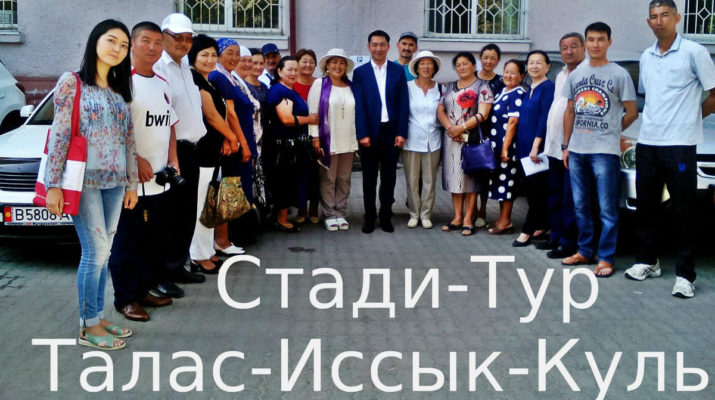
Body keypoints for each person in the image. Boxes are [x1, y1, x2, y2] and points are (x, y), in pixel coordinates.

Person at [44, 19, 138, 350]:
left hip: (115, 182)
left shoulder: (119, 88)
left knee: (104, 253)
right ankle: (87, 327)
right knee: (94, 252)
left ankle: (97, 316)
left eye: (124, 45)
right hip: (82, 182)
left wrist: (132, 183)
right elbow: (59, 133)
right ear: (95, 41)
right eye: (111, 40)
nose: (117, 48)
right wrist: (53, 183)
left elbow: (129, 140)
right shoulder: (72, 82)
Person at [624, 0, 715, 297]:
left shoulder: (694, 52)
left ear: (677, 18)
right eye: (654, 16)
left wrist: (691, 119)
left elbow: (714, 95)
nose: (659, 21)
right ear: (648, 22)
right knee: (647, 207)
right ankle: (648, 261)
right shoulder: (647, 56)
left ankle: (685, 275)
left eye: (665, 15)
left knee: (684, 210)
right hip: (649, 142)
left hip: (680, 145)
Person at [108, 21, 176, 323]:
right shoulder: (121, 83)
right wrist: (134, 159)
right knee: (127, 242)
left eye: (158, 42)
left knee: (152, 239)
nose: (152, 47)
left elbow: (169, 123)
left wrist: (173, 158)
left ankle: (144, 288)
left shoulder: (162, 82)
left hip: (159, 179)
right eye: (146, 40)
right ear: (132, 45)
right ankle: (125, 298)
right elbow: (111, 130)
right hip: (130, 181)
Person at [562, 22, 638, 277]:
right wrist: (566, 146)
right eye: (591, 39)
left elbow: (632, 111)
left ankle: (606, 258)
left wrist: (614, 131)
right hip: (577, 149)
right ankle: (584, 250)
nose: (596, 44)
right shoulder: (576, 74)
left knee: (607, 208)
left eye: (601, 39)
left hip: (605, 151)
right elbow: (570, 111)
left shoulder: (619, 74)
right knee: (580, 205)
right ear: (586, 43)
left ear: (609, 42)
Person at [153, 13, 207, 297]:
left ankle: (177, 265)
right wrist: (171, 158)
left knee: (186, 214)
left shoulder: (185, 66)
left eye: (188, 39)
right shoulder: (159, 67)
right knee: (168, 215)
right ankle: (161, 273)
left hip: (192, 149)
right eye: (178, 38)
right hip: (171, 153)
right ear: (164, 37)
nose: (184, 43)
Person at [188, 35, 242, 274]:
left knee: (209, 203)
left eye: (212, 55)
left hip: (212, 153)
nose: (210, 60)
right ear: (193, 56)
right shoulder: (194, 79)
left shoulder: (207, 80)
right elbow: (211, 115)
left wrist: (227, 139)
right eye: (204, 55)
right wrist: (231, 137)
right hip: (200, 153)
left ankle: (207, 249)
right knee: (200, 205)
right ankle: (197, 256)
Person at [352, 30, 409, 233]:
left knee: (389, 178)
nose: (378, 48)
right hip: (370, 133)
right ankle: (369, 217)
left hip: (391, 132)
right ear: (369, 47)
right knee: (369, 178)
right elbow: (359, 106)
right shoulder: (360, 73)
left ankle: (385, 216)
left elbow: (403, 104)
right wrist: (362, 134)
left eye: (382, 44)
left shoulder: (397, 71)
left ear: (388, 46)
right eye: (374, 44)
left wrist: (401, 132)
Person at [436, 51, 493, 236]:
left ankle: (469, 219)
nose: (461, 67)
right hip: (451, 138)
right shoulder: (449, 86)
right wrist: (451, 128)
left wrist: (461, 128)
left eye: (465, 64)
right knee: (454, 178)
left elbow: (483, 113)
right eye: (458, 65)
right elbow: (440, 110)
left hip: (471, 139)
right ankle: (457, 217)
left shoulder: (482, 86)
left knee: (470, 180)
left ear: (474, 66)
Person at [541, 32, 585, 259]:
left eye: (573, 46)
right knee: (555, 193)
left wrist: (568, 144)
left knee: (570, 198)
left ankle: (569, 242)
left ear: (583, 48)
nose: (569, 51)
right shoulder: (560, 74)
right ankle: (556, 236)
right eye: (564, 48)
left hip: (573, 147)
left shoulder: (586, 74)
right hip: (554, 145)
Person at [209, 39, 255, 249]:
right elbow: (230, 115)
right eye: (230, 52)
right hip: (234, 143)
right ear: (218, 54)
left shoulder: (231, 77)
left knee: (237, 191)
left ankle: (234, 236)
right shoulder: (219, 77)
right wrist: (243, 144)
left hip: (240, 141)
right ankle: (225, 240)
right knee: (229, 192)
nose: (235, 57)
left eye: (237, 53)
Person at [265, 56, 320, 231]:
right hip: (283, 146)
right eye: (289, 69)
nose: (293, 73)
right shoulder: (280, 91)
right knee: (284, 181)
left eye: (296, 69)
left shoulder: (290, 90)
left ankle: (280, 217)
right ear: (279, 71)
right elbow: (287, 119)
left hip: (292, 145)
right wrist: (309, 119)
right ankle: (281, 220)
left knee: (288, 181)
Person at [307, 48, 358, 231]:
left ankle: (340, 212)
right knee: (328, 178)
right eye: (334, 62)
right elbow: (313, 112)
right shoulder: (319, 84)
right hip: (329, 140)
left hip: (348, 140)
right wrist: (315, 137)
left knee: (344, 178)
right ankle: (329, 214)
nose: (338, 66)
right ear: (327, 65)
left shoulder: (351, 86)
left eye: (342, 62)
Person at [512, 50, 554, 247]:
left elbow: (544, 119)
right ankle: (543, 225)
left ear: (547, 66)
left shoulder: (548, 88)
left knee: (536, 191)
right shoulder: (529, 88)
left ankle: (527, 230)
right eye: (531, 63)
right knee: (531, 190)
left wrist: (536, 146)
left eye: (539, 62)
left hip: (536, 149)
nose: (534, 66)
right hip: (523, 147)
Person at [403, 50, 442, 229]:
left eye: (429, 64)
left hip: (433, 140)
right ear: (417, 67)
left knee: (429, 180)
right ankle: (414, 213)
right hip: (412, 139)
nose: (426, 67)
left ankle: (426, 214)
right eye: (422, 63)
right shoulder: (408, 87)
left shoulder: (440, 88)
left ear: (434, 68)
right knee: (412, 180)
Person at [487, 59, 527, 235]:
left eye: (513, 72)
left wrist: (505, 148)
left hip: (508, 147)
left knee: (507, 183)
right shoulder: (503, 90)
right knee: (500, 182)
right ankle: (501, 218)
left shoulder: (518, 93)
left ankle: (506, 221)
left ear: (521, 76)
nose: (508, 75)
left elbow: (513, 122)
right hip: (497, 146)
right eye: (506, 71)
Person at [234, 45, 268, 216]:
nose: (250, 65)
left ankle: (253, 218)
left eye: (250, 61)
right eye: (245, 61)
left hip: (258, 140)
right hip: (243, 142)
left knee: (255, 182)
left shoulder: (259, 85)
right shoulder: (235, 82)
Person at [474, 43, 505, 228]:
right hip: (472, 131)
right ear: (480, 58)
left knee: (487, 173)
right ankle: (470, 211)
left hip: (493, 132)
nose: (488, 61)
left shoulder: (501, 82)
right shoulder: (471, 78)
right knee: (472, 173)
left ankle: (483, 210)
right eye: (485, 57)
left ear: (497, 61)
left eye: (493, 58)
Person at [293, 48, 320, 224]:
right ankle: (301, 209)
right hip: (298, 135)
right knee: (301, 174)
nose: (308, 65)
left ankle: (314, 209)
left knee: (317, 174)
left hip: (318, 135)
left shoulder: (320, 83)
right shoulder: (291, 84)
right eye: (304, 61)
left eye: (311, 61)